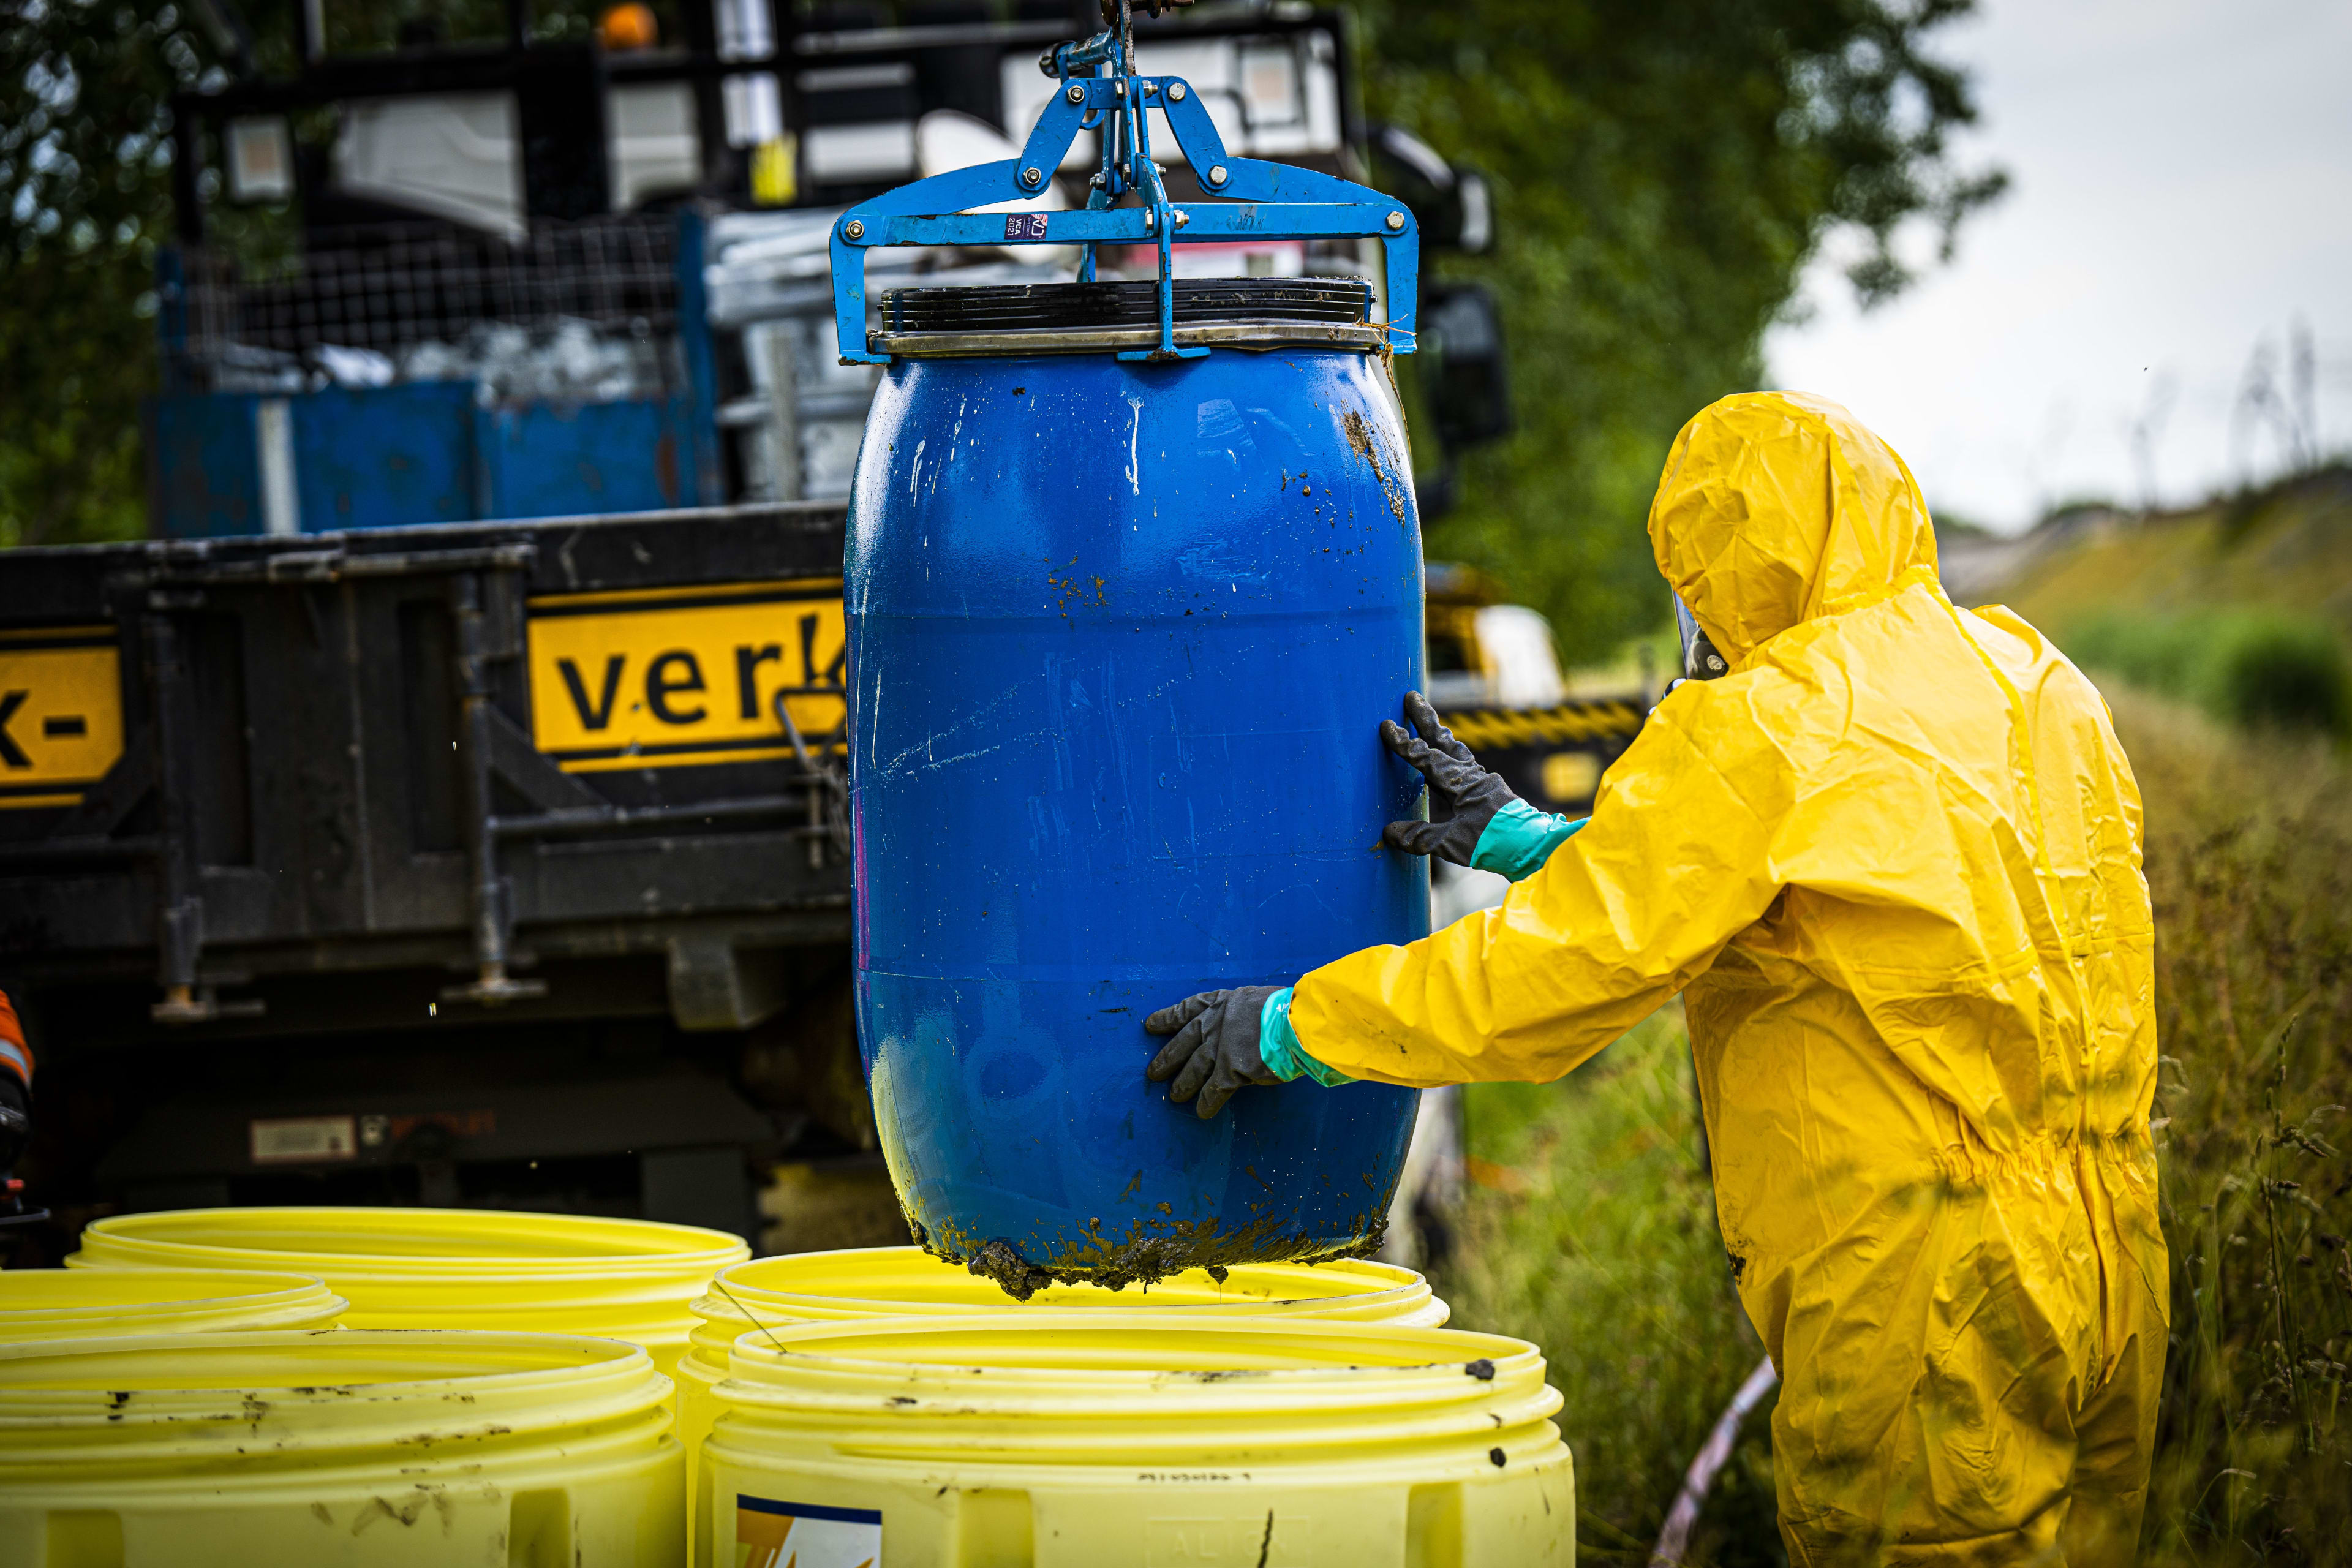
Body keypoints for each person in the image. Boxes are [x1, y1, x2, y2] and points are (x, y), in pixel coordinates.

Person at [1144, 391, 2166, 1564]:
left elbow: (1547, 977)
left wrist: (1283, 1028)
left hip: (1926, 1294)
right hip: (2113, 1248)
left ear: (1727, 565)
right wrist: (1530, 839)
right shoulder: (2031, 679)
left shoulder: (1769, 723)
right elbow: (1837, 894)